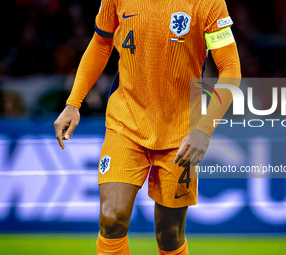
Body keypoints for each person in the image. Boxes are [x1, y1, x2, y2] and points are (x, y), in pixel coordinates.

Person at [54, 0, 241, 254]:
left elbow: (230, 67)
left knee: (169, 234)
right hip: (126, 121)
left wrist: (204, 129)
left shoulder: (208, 3)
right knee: (112, 217)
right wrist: (73, 103)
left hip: (181, 131)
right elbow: (101, 43)